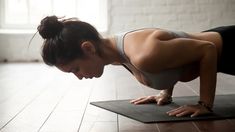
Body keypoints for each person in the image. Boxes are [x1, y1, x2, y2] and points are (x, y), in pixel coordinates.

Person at [37, 15, 235, 117]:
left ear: (88, 49)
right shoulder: (114, 54)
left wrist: (205, 105)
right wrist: (165, 94)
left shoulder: (143, 54)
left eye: (75, 69)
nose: (79, 77)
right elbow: (172, 59)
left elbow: (208, 50)